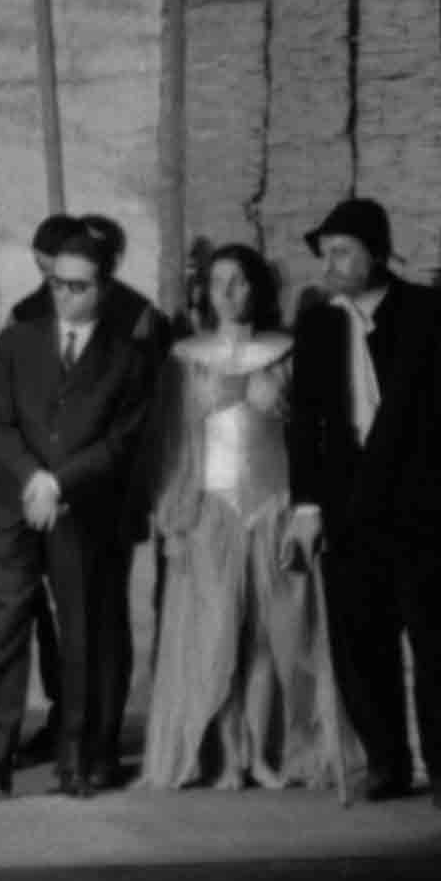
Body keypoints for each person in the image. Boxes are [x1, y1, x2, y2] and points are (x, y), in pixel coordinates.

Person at [283, 197, 441, 811]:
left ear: (375, 252)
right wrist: (307, 506)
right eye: (326, 254)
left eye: (342, 251)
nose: (331, 264)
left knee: (439, 644)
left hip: (424, 504)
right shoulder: (317, 326)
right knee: (359, 645)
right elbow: (306, 424)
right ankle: (387, 765)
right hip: (347, 510)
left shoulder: (432, 316)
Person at [141, 243, 355, 792]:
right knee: (219, 637)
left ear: (257, 287)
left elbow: (307, 435)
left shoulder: (283, 352)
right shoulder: (187, 358)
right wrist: (173, 520)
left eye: (239, 281)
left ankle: (263, 752)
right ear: (205, 292)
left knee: (265, 637)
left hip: (272, 504)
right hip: (211, 509)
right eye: (218, 283)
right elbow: (175, 447)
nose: (229, 292)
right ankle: (228, 757)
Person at [0, 214, 171, 798]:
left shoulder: (126, 355)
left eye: (78, 286)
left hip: (79, 509)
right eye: (57, 283)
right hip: (18, 502)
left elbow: (121, 441)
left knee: (81, 633)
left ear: (103, 287)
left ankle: (77, 758)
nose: (63, 295)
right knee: (7, 626)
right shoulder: (18, 339)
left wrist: (58, 485)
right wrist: (32, 477)